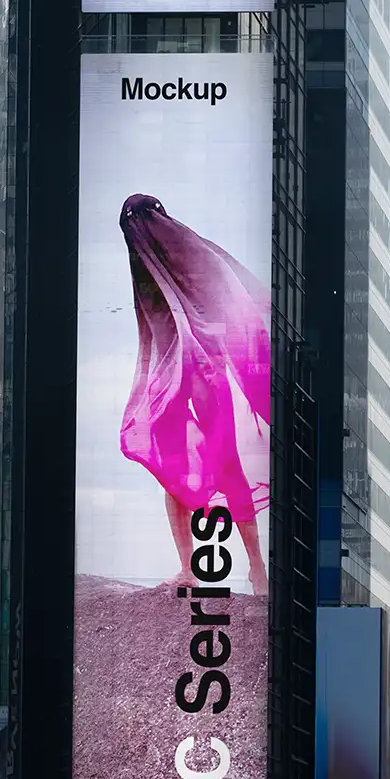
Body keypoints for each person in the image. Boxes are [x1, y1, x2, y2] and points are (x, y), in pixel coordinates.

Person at [118, 193, 271, 595]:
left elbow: (227, 305)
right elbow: (155, 329)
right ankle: (192, 567)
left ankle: (255, 567)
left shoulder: (184, 256)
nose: (138, 225)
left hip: (202, 374)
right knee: (174, 474)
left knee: (227, 467)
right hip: (176, 379)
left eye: (142, 217)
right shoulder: (145, 266)